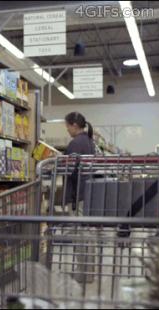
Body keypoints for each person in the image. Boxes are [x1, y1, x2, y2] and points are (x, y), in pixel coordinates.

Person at [64, 112, 96, 284]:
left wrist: (54, 164)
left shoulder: (76, 143)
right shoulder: (90, 141)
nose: (67, 130)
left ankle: (84, 272)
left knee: (80, 234)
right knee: (87, 234)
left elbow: (69, 169)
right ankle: (88, 271)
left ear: (74, 125)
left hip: (79, 194)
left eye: (67, 126)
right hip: (88, 193)